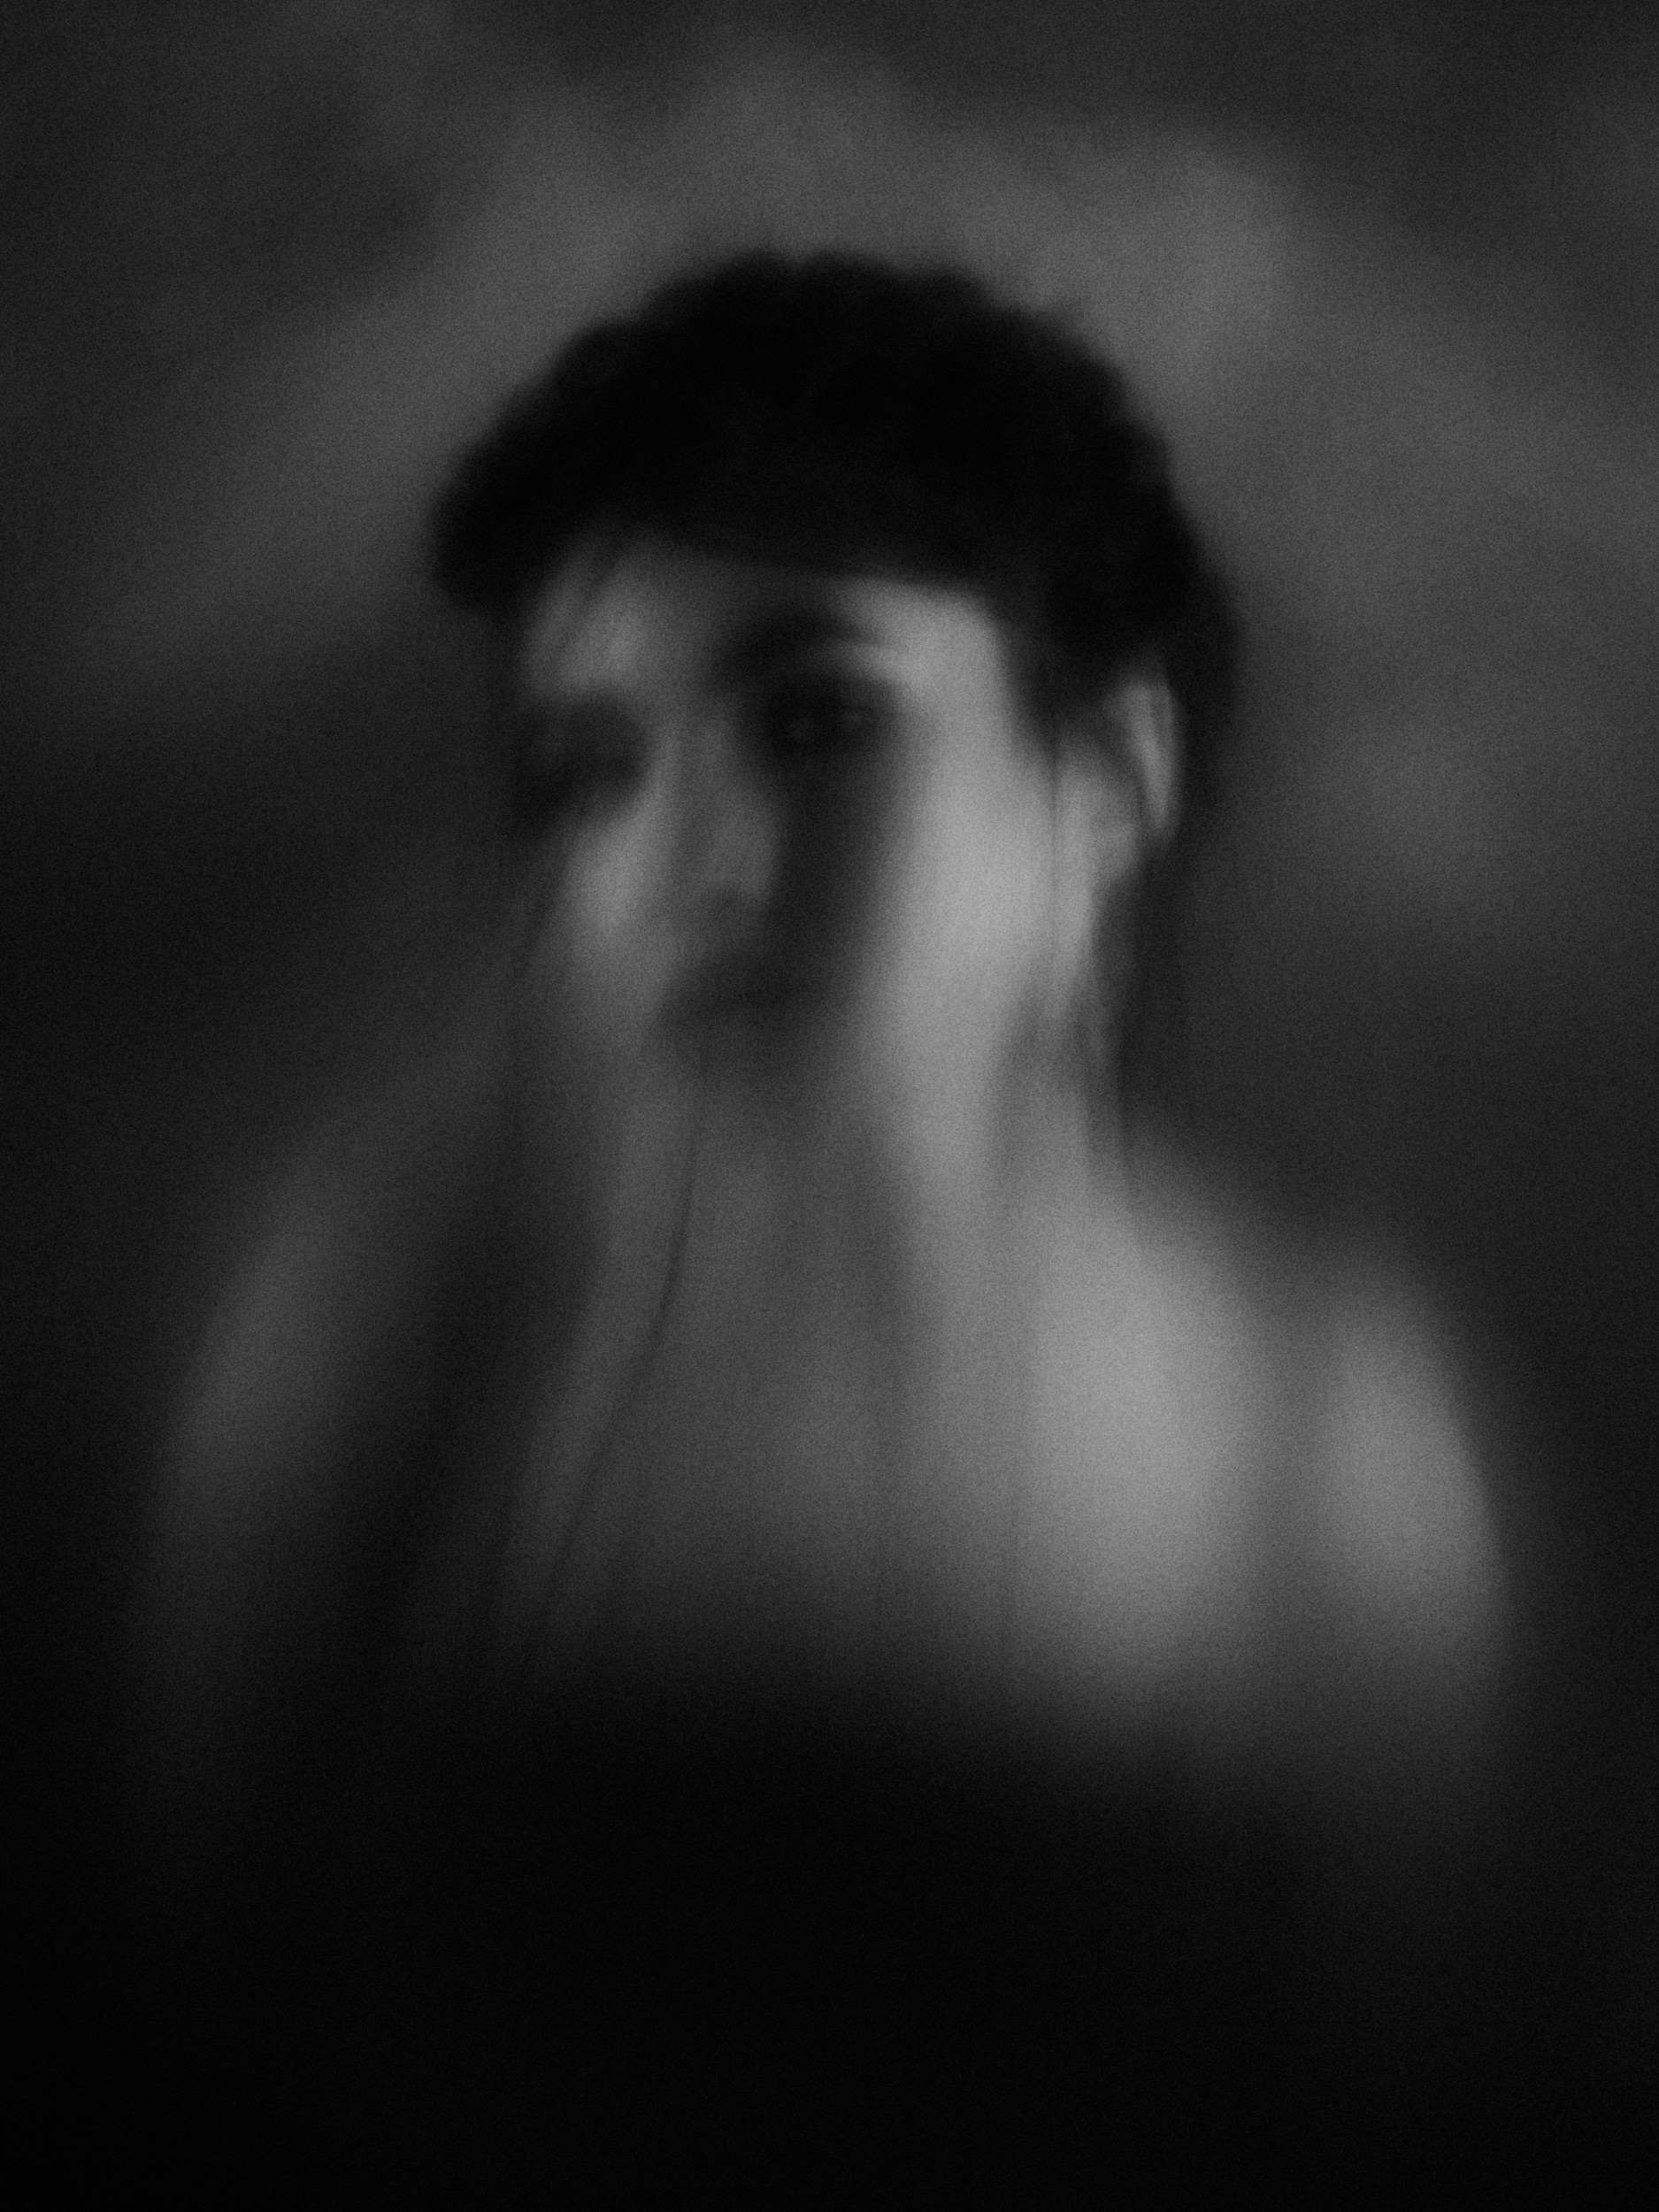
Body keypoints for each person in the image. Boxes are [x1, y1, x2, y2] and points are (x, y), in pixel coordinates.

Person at [132, 251, 1523, 2183]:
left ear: (1112, 777)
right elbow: (182, 2057)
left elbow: (1406, 2118)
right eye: (586, 769)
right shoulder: (400, 1328)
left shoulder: (1323, 1443)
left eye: (811, 722)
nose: (676, 862)